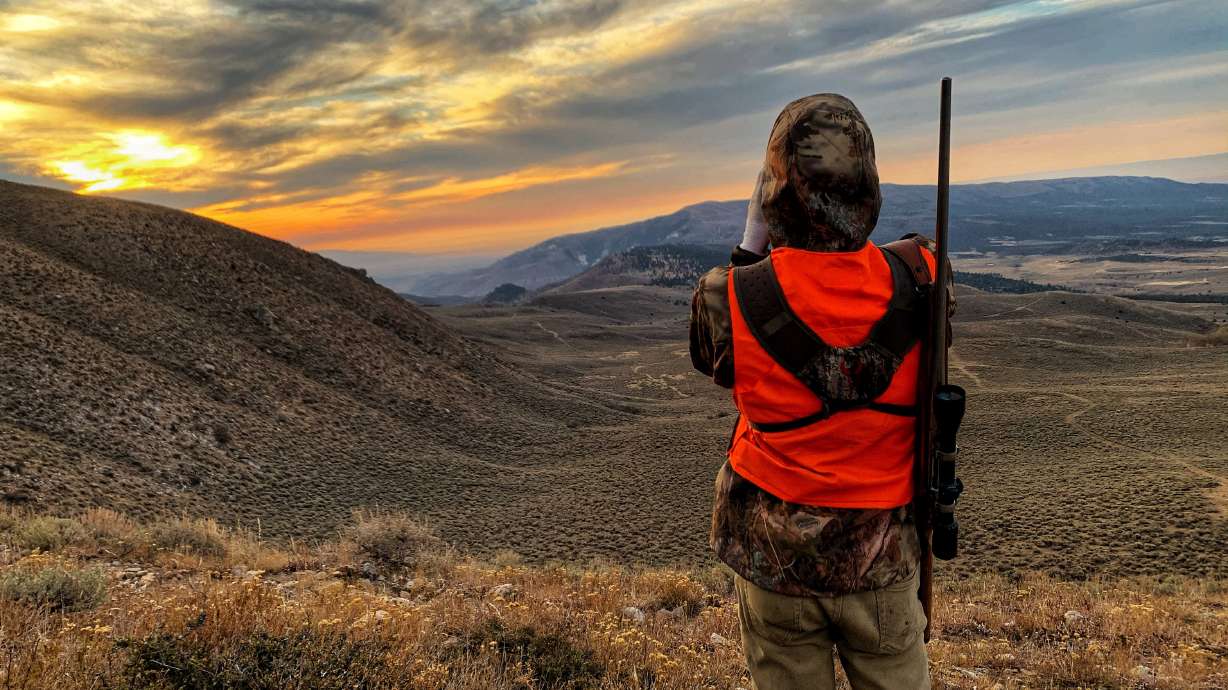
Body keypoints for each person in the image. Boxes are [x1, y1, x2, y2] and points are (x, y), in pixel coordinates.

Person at [689, 93, 953, 690]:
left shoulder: (726, 297)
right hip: (881, 557)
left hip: (772, 559)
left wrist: (751, 242)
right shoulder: (926, 276)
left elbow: (715, 360)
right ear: (868, 181)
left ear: (775, 190)